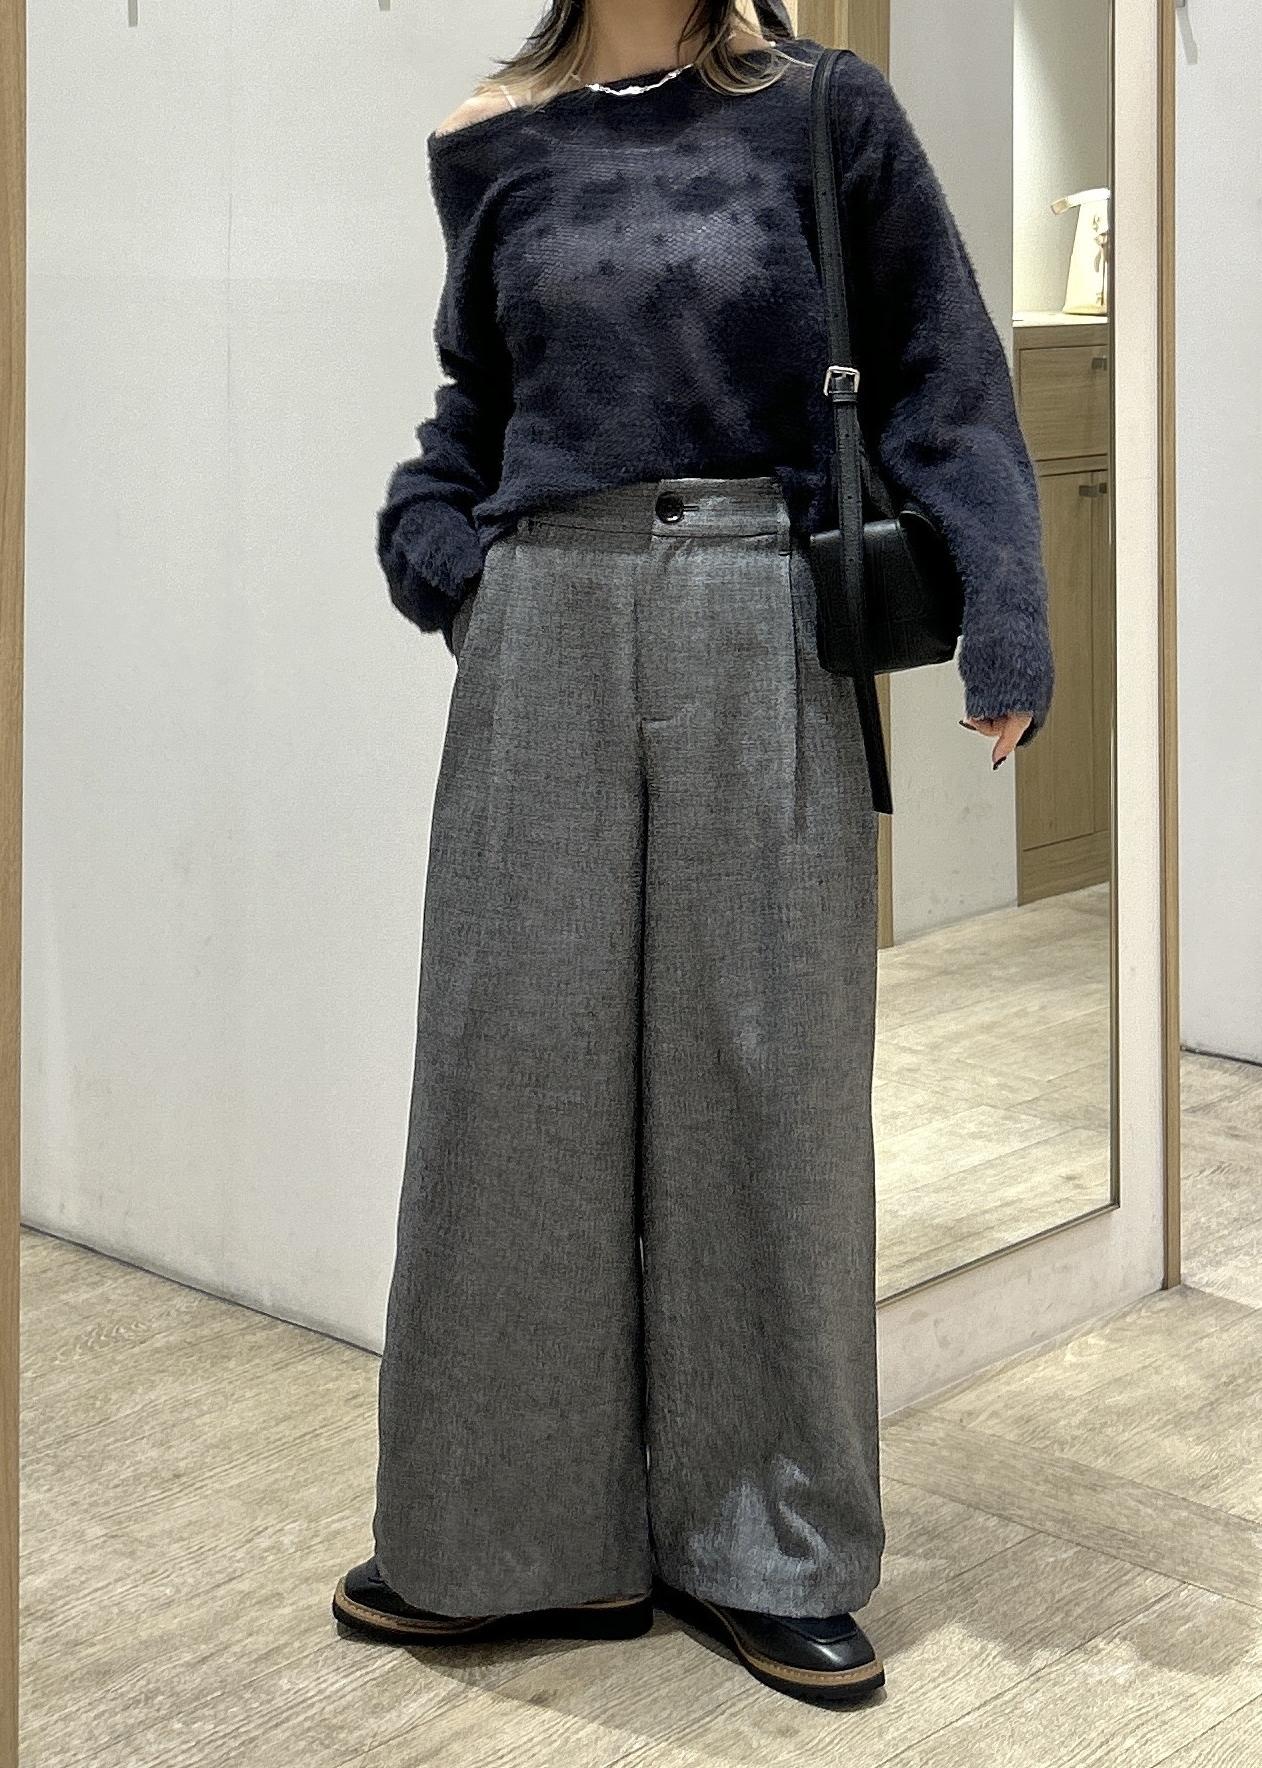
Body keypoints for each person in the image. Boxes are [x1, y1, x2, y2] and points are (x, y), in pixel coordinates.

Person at [332, 0, 1054, 1708]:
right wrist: (444, 552)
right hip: (542, 622)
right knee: (514, 1085)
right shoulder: (487, 134)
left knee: (768, 1079)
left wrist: (1005, 614)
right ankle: (506, 1540)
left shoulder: (822, 109)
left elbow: (943, 368)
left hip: (759, 605)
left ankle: (770, 1550)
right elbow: (476, 400)